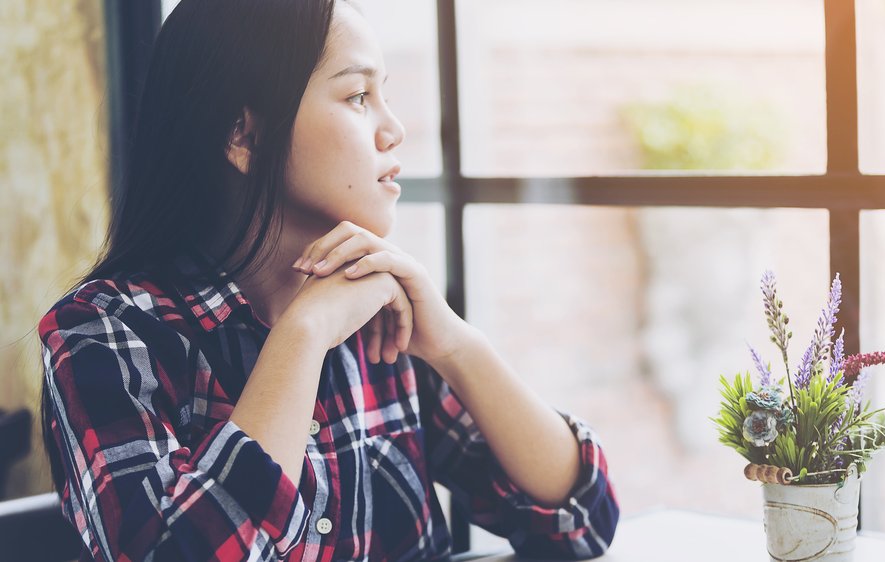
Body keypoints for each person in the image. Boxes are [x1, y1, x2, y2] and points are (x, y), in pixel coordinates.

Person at [37, 1, 619, 560]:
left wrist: (459, 346)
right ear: (243, 135)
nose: (394, 131)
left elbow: (583, 522)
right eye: (359, 95)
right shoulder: (101, 335)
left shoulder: (384, 315)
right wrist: (304, 333)